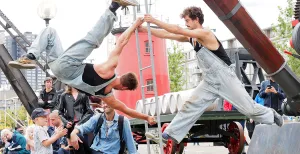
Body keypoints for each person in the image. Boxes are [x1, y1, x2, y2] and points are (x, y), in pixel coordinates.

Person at [141, 6, 284, 144]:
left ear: (196, 19)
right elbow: (168, 34)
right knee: (190, 105)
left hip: (225, 78)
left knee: (249, 109)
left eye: (187, 21)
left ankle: (272, 115)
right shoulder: (191, 38)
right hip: (209, 81)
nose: (185, 25)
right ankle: (169, 134)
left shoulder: (206, 33)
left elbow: (177, 29)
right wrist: (145, 29)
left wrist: (154, 20)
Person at [8, 0, 156, 125]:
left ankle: (114, 6)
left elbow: (121, 42)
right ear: (124, 87)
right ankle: (31, 55)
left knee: (92, 40)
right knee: (50, 32)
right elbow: (126, 110)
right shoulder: (107, 96)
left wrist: (135, 24)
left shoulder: (109, 69)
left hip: (67, 65)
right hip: (58, 70)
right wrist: (147, 117)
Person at [70, 102, 137, 154]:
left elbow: (130, 142)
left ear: (114, 104)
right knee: (77, 136)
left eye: (108, 102)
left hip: (111, 152)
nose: (105, 105)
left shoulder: (123, 121)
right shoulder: (98, 117)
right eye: (103, 103)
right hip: (95, 150)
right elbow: (83, 127)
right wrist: (73, 133)